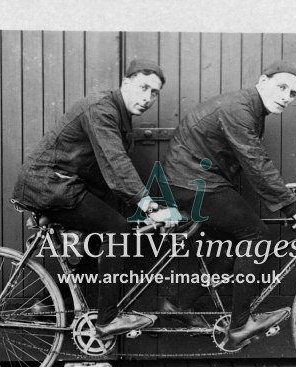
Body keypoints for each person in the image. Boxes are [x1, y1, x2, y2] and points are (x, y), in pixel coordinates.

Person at [162, 60, 296, 349]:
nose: (286, 97)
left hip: (193, 182)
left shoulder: (250, 108)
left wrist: (284, 193)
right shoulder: (239, 109)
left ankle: (178, 304)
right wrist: (295, 209)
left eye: (292, 94)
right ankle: (240, 325)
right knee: (256, 236)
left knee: (229, 245)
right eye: (282, 87)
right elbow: (255, 162)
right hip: (192, 182)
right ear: (262, 81)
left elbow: (252, 163)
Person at [12, 59, 175, 338]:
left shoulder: (118, 115)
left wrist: (150, 207)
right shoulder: (102, 109)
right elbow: (115, 161)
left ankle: (49, 302)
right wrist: (149, 206)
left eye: (154, 92)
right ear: (125, 83)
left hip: (62, 186)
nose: (147, 98)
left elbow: (106, 170)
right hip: (49, 185)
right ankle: (107, 320)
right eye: (143, 87)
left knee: (102, 237)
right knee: (118, 229)